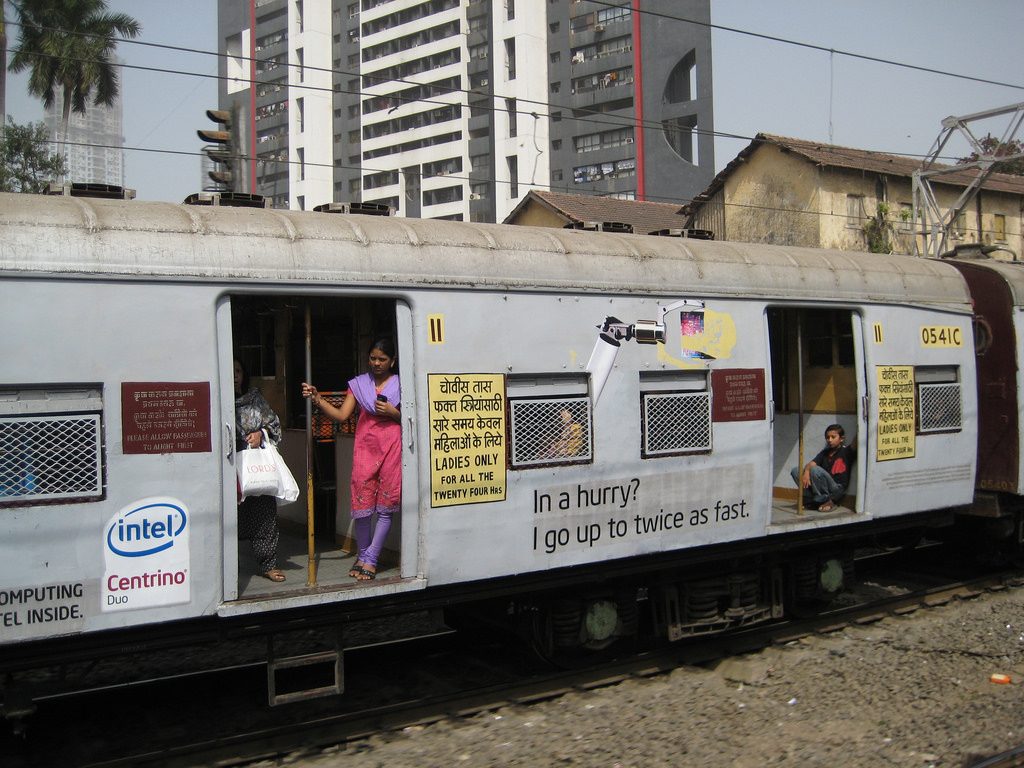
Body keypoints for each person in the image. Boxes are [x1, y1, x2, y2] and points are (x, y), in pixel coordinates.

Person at [302, 338, 401, 581]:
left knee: (385, 508)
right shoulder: (358, 385)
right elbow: (341, 414)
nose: (376, 363)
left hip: (392, 447)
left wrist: (394, 413)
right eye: (373, 358)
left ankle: (372, 559)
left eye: (382, 359)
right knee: (363, 508)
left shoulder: (403, 383)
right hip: (366, 448)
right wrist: (317, 398)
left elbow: (415, 417)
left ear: (393, 361)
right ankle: (363, 555)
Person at [234, 359, 286, 582]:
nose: (234, 375)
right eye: (229, 371)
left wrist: (260, 434)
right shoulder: (215, 398)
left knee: (264, 513)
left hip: (254, 465)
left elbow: (274, 425)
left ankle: (268, 564)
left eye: (237, 370)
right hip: (228, 465)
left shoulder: (255, 399)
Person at [791, 423, 854, 512]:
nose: (830, 440)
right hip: (821, 487)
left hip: (835, 488)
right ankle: (810, 498)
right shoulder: (825, 452)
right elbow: (811, 463)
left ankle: (826, 500)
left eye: (833, 437)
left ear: (841, 439)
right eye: (827, 437)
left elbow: (856, 442)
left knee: (815, 470)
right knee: (796, 471)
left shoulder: (846, 452)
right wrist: (806, 472)